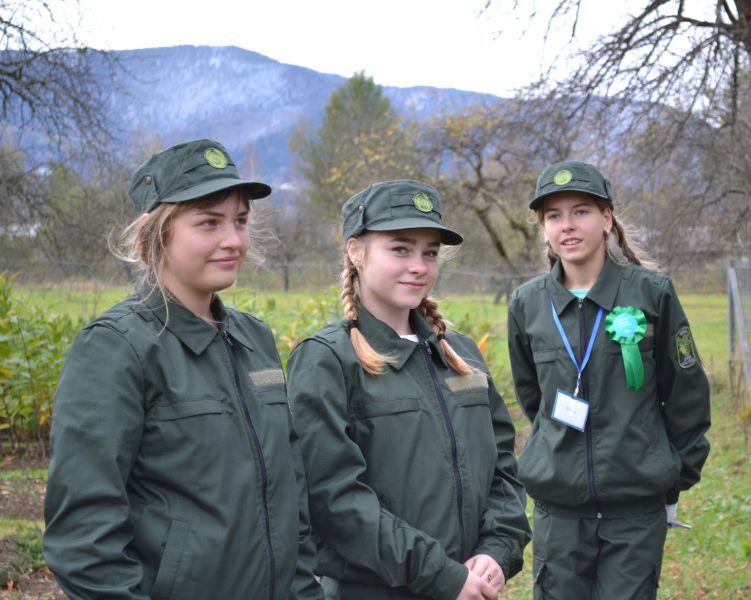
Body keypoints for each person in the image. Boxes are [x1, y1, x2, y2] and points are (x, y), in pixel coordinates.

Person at [43, 139, 323, 600]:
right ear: (157, 232)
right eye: (209, 222)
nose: (233, 240)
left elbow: (289, 496)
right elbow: (82, 540)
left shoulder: (256, 339)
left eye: (240, 221)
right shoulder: (116, 347)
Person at [286, 180, 531, 600]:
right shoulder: (328, 359)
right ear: (356, 252)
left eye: (429, 253)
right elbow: (335, 501)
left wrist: (498, 550)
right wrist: (439, 575)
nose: (419, 266)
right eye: (400, 249)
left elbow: (503, 469)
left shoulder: (462, 354)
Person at [507, 160, 711, 599]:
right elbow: (533, 398)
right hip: (558, 514)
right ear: (543, 228)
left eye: (581, 211)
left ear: (607, 219)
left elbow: (687, 396)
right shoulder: (526, 305)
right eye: (554, 216)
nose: (568, 226)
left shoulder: (651, 293)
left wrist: (672, 477)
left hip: (635, 515)